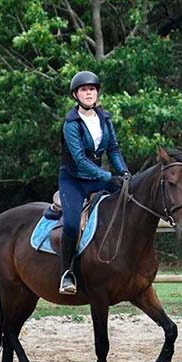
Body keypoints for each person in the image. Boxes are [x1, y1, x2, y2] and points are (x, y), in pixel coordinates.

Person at [58, 71, 130, 295]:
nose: (88, 93)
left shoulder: (104, 119)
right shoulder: (71, 124)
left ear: (97, 93)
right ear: (75, 95)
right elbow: (79, 160)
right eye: (83, 90)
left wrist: (124, 172)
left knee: (131, 201)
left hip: (98, 177)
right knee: (71, 224)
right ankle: (66, 273)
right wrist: (108, 177)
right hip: (74, 181)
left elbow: (114, 150)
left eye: (92, 89)